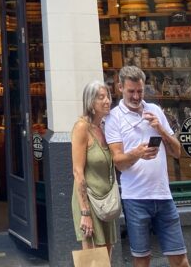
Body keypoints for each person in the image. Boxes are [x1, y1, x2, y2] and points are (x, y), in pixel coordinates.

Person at [105, 65, 189, 267]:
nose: (136, 96)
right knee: (141, 259)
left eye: (140, 91)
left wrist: (159, 128)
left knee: (180, 258)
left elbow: (177, 152)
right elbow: (118, 162)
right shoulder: (114, 117)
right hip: (135, 198)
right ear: (120, 88)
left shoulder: (155, 111)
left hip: (163, 194)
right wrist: (137, 153)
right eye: (131, 91)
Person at [71, 80, 117, 256]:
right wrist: (85, 212)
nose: (107, 101)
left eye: (108, 96)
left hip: (106, 203)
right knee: (94, 258)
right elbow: (77, 172)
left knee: (106, 255)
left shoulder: (105, 127)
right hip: (89, 202)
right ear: (91, 102)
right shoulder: (82, 127)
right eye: (101, 97)